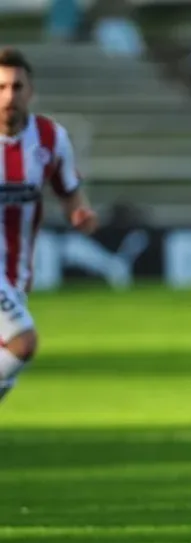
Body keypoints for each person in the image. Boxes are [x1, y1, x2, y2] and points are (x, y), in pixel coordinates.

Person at [0, 48, 99, 405]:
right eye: (1, 87)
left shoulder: (51, 138)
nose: (9, 96)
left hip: (16, 273)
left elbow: (69, 191)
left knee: (6, 373)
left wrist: (80, 214)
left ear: (31, 91)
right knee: (23, 341)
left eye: (17, 86)